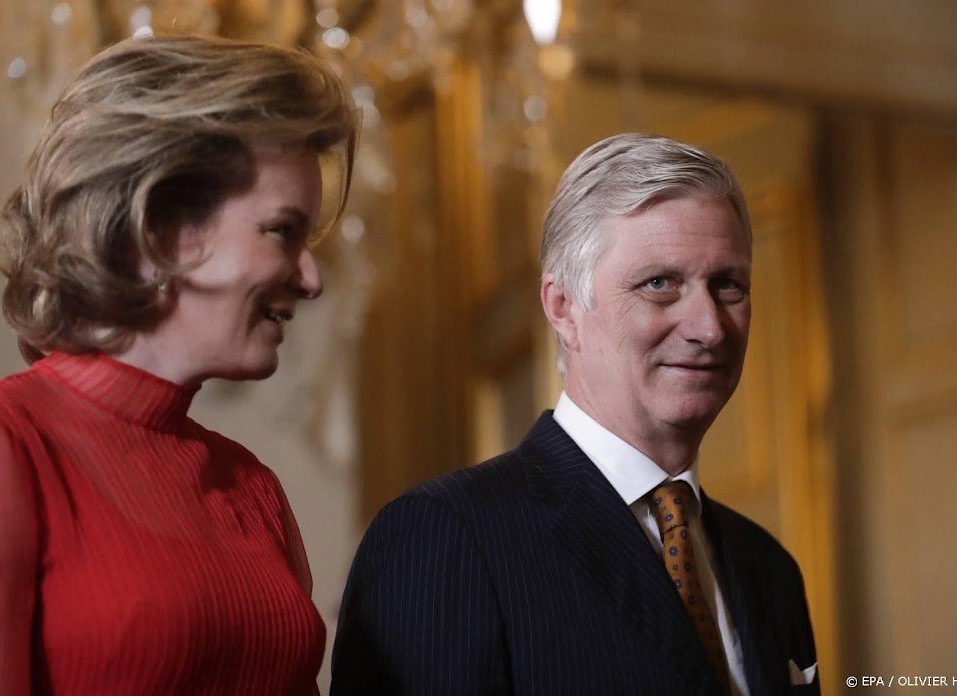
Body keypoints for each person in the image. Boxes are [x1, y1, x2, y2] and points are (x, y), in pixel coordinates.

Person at [330, 133, 819, 695]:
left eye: (728, 285)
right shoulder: (444, 537)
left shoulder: (769, 568)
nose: (709, 328)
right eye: (659, 284)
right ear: (562, 307)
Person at [0, 34, 358, 694]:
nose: (311, 278)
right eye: (282, 231)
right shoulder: (5, 445)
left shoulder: (253, 489)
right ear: (159, 228)